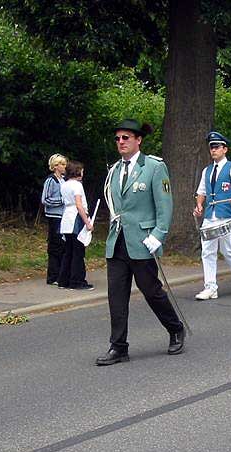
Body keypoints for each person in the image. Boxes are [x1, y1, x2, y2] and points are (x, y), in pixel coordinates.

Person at [96, 119, 186, 366]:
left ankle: (175, 328)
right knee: (116, 296)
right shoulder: (114, 171)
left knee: (151, 291)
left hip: (143, 241)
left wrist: (158, 235)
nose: (121, 142)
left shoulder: (154, 167)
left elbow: (164, 205)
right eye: (117, 138)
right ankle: (118, 347)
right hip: (118, 241)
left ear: (138, 141)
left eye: (126, 138)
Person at [193, 131, 231, 299]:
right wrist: (199, 205)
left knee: (228, 250)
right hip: (210, 216)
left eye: (217, 147)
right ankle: (210, 287)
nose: (213, 150)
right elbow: (201, 191)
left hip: (227, 215)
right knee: (207, 251)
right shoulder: (207, 170)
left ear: (225, 149)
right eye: (211, 147)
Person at [57, 160, 94, 290]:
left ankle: (63, 280)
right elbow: (79, 205)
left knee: (68, 251)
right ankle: (77, 281)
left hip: (66, 219)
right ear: (77, 171)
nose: (83, 172)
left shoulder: (65, 184)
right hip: (75, 219)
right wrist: (87, 222)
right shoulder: (77, 185)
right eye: (82, 170)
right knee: (78, 252)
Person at [41, 153, 67, 285]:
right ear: (55, 166)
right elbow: (45, 199)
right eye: (62, 164)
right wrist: (62, 200)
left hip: (63, 216)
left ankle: (61, 274)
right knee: (54, 246)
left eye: (64, 164)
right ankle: (52, 276)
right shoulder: (51, 180)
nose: (64, 167)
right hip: (54, 217)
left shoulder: (63, 179)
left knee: (62, 245)